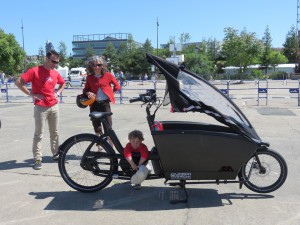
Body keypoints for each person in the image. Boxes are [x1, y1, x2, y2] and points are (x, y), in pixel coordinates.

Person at [15, 50, 66, 170]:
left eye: (57, 62)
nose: (55, 64)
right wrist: (32, 94)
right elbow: (19, 82)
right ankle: (38, 158)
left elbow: (63, 83)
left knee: (55, 132)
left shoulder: (55, 73)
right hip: (40, 107)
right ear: (46, 59)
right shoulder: (34, 71)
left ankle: (55, 154)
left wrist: (57, 93)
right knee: (39, 134)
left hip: (54, 106)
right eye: (53, 61)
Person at [83, 55, 121, 138]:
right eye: (94, 65)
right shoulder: (89, 77)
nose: (97, 67)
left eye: (99, 65)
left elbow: (117, 86)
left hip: (105, 104)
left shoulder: (108, 75)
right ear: (91, 66)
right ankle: (99, 145)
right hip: (94, 105)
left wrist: (111, 93)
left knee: (108, 127)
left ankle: (110, 147)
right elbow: (85, 90)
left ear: (103, 65)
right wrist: (88, 93)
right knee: (97, 127)